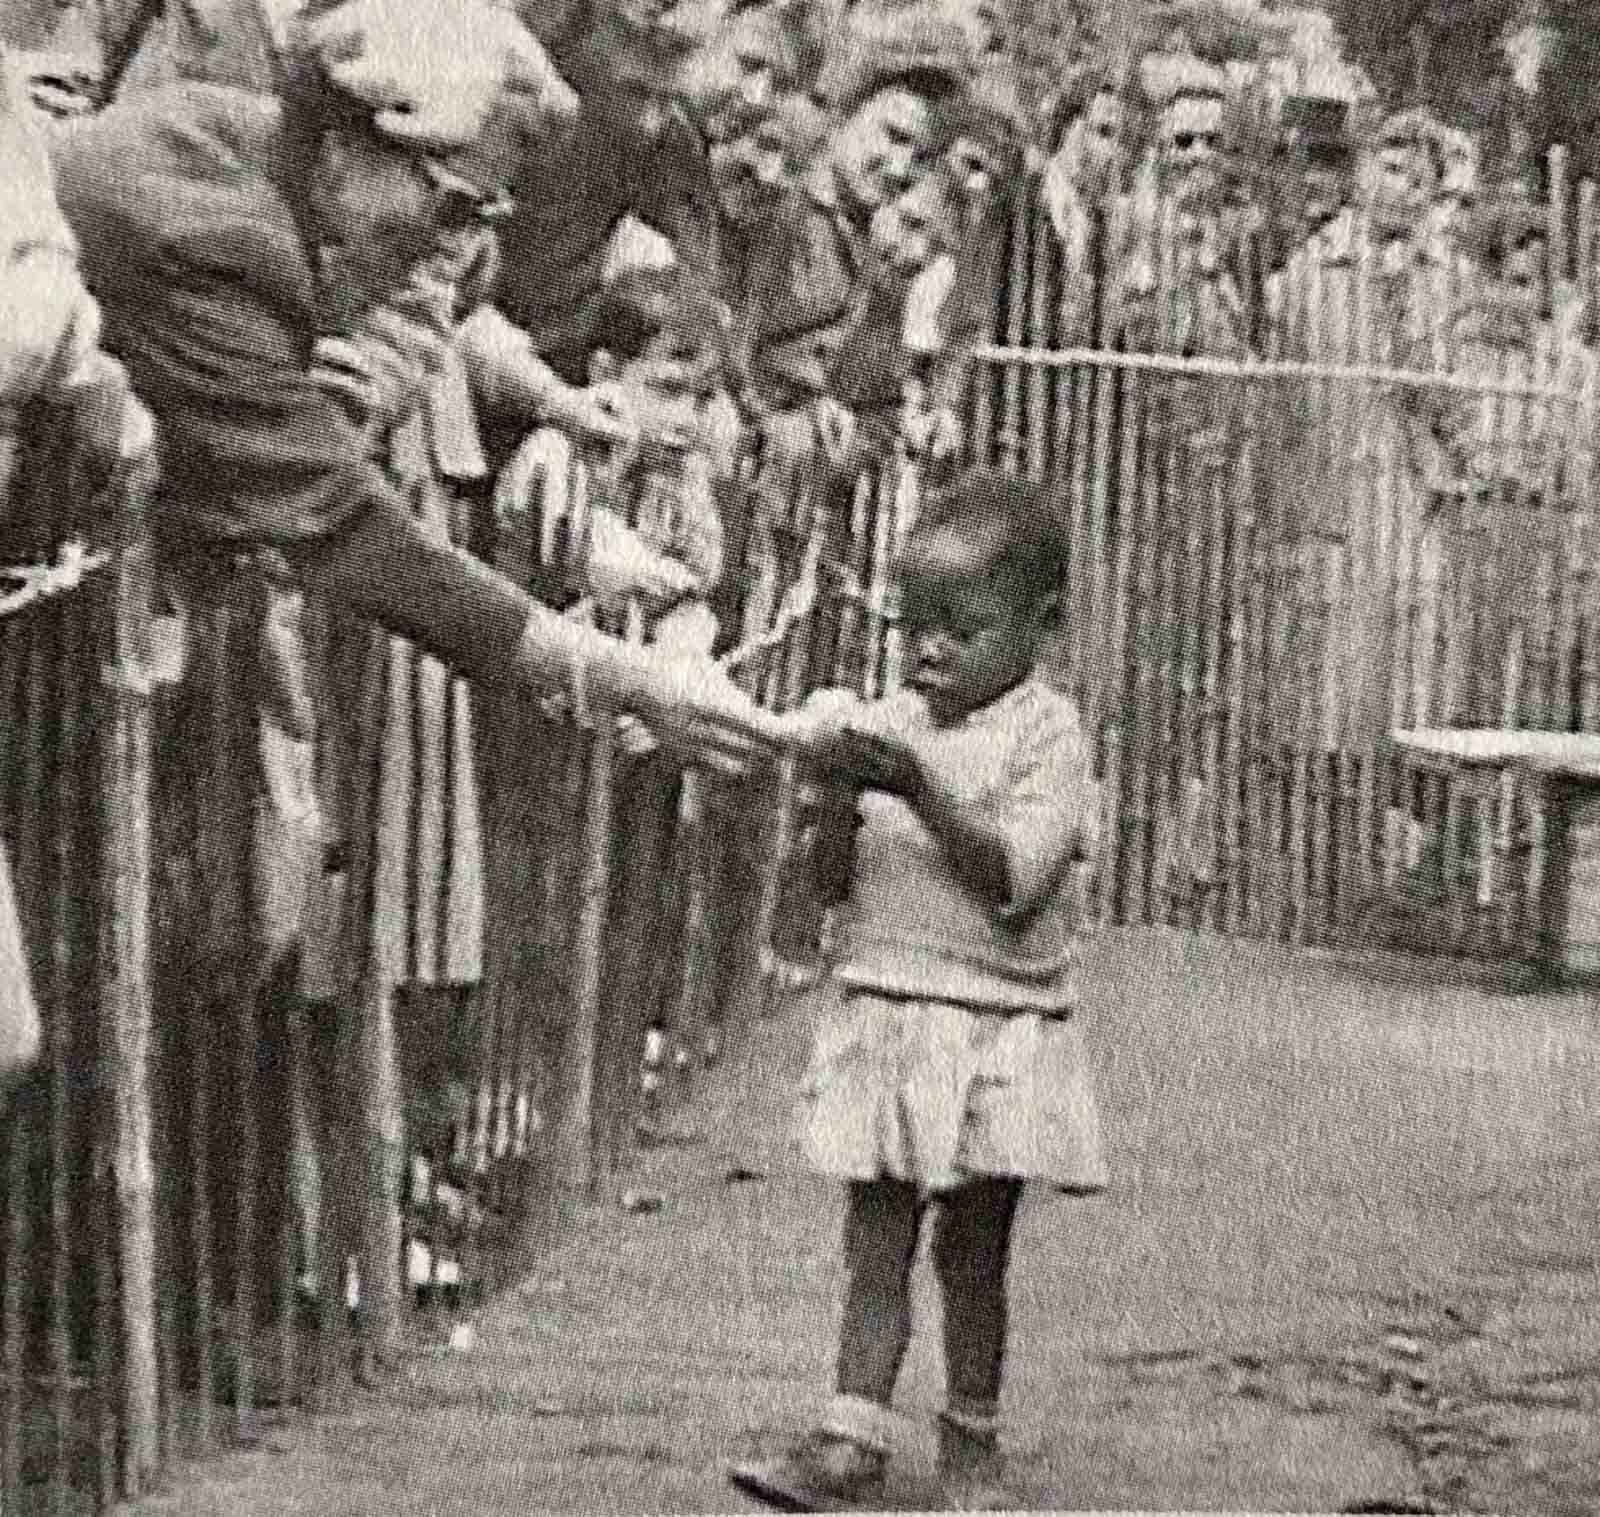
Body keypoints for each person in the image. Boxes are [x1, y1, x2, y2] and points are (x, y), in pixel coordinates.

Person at [728, 466, 1106, 1513]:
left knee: (973, 1247)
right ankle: (850, 1436)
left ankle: (970, 1448)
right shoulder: (892, 721)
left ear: (1041, 625)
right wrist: (835, 799)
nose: (929, 650)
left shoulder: (1047, 735)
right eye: (912, 627)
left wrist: (914, 783)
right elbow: (836, 886)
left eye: (962, 629)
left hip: (997, 1020)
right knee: (876, 1232)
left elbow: (1013, 882)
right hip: (889, 1007)